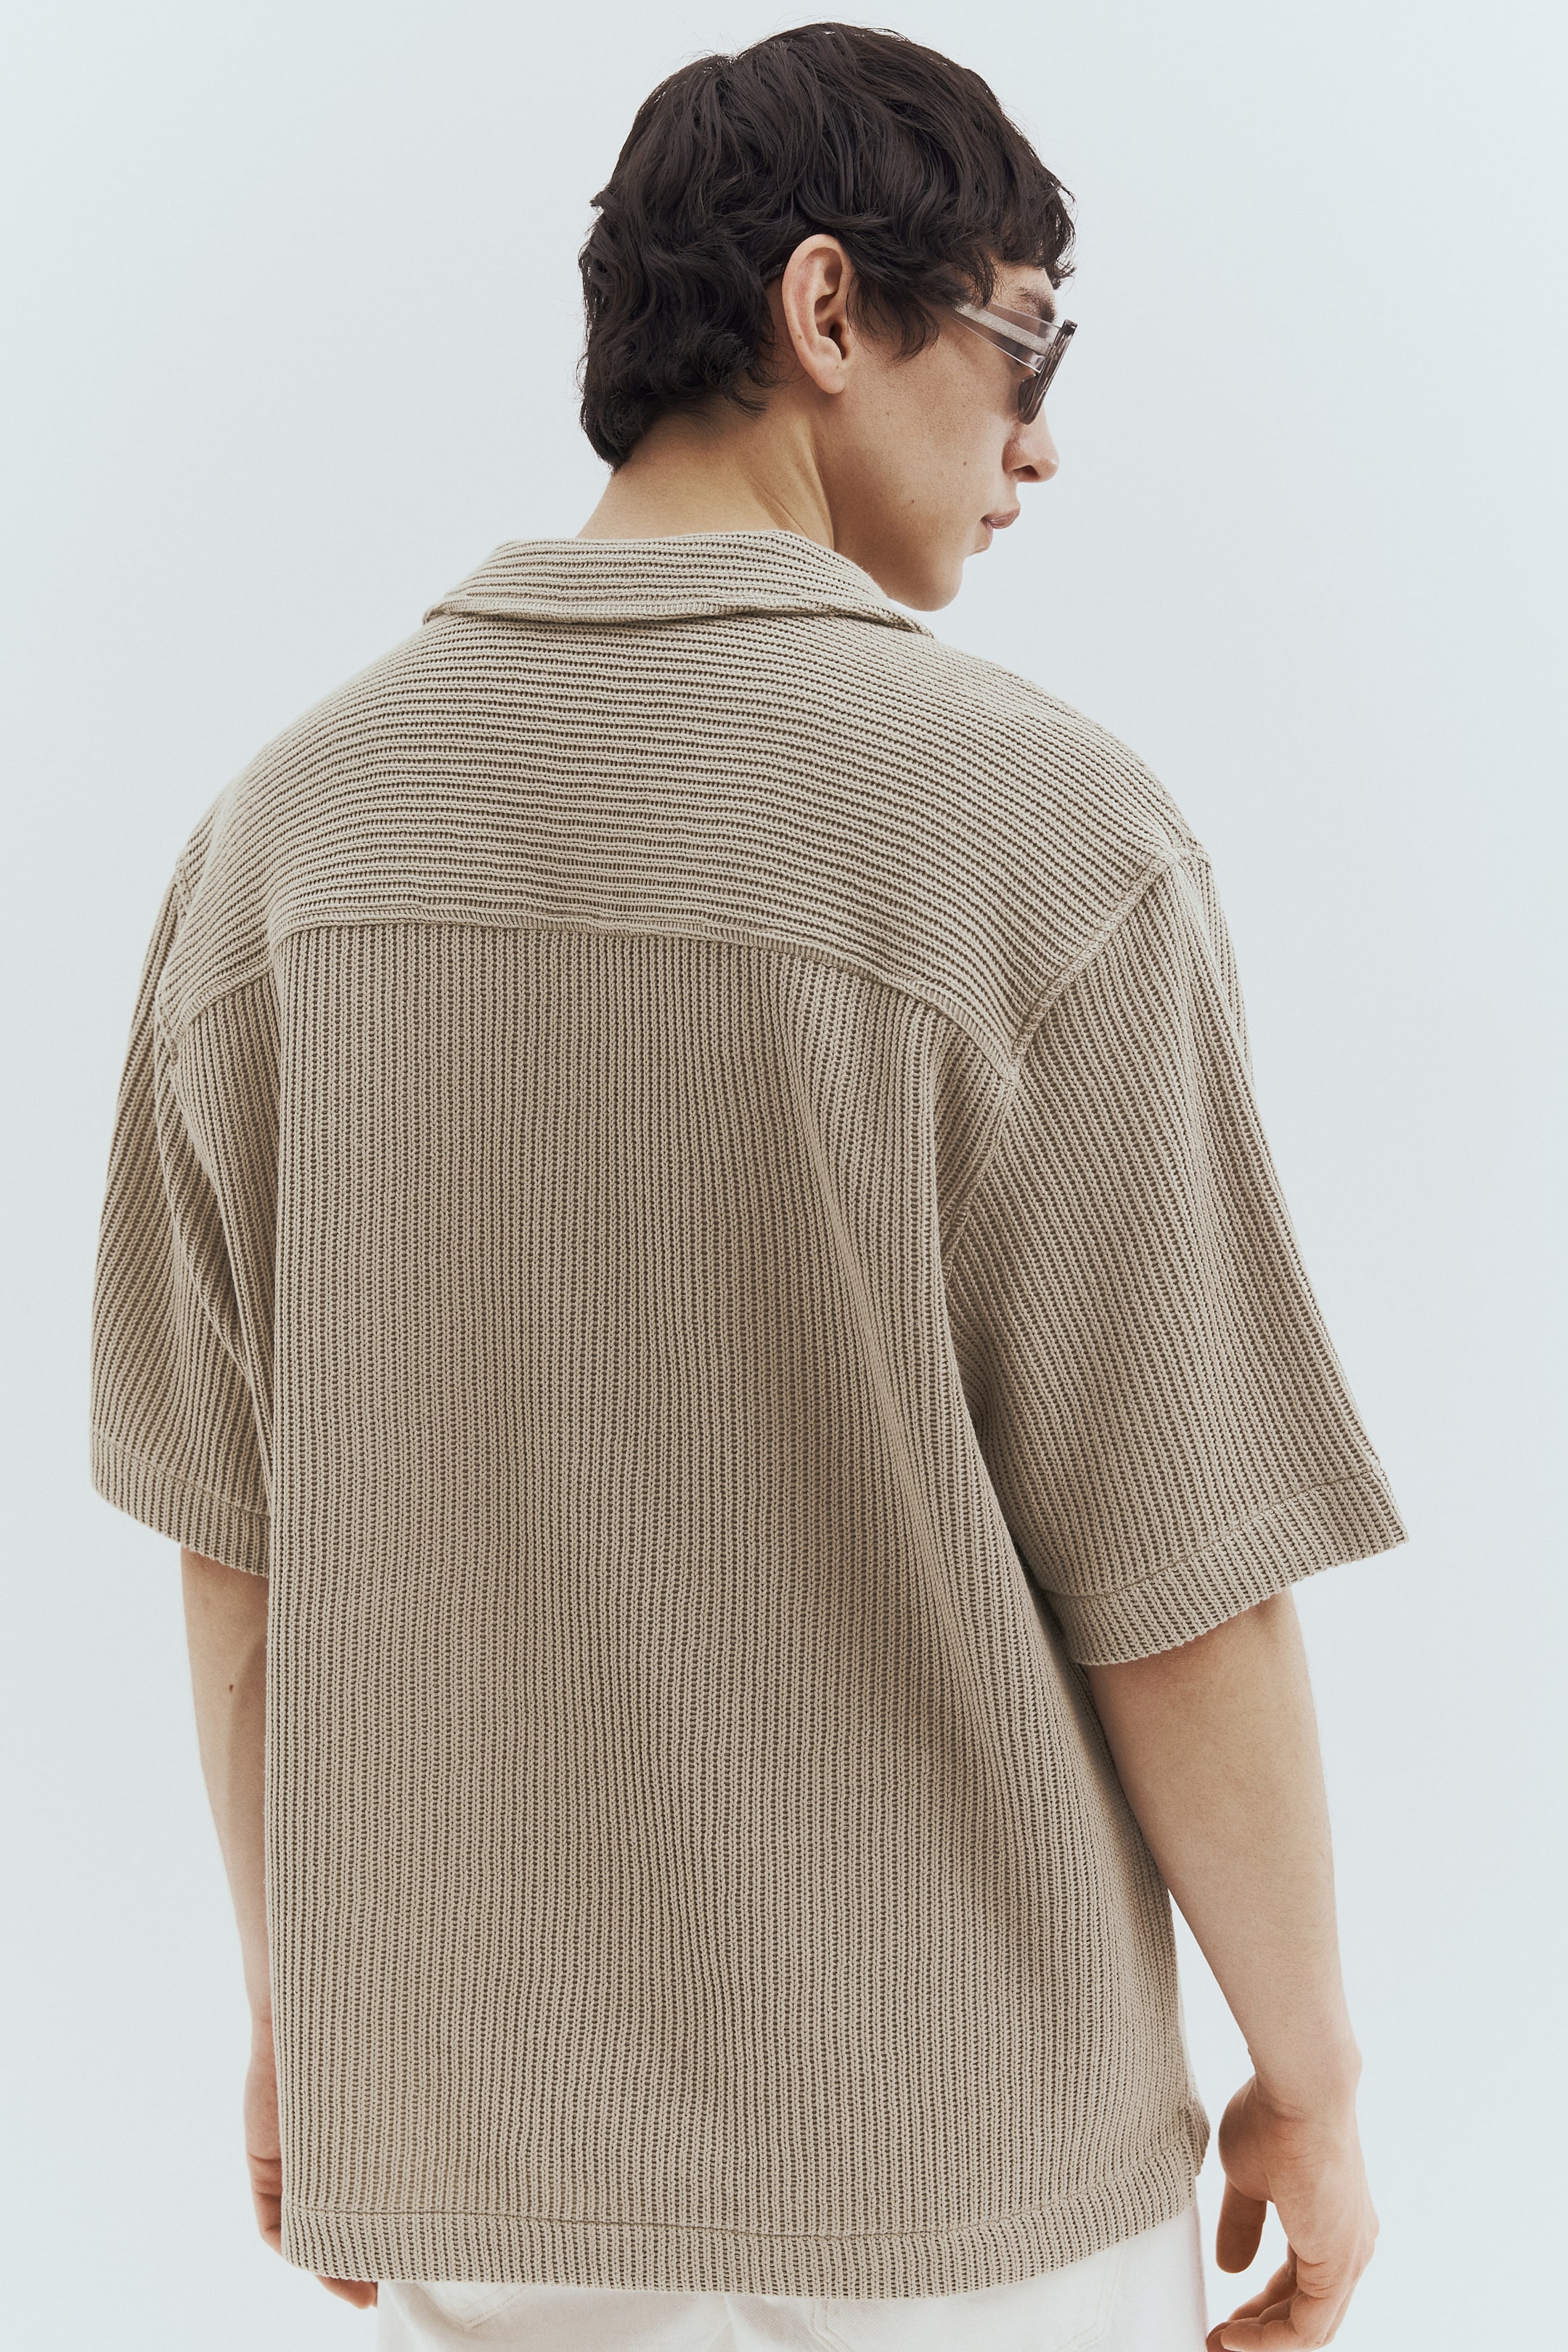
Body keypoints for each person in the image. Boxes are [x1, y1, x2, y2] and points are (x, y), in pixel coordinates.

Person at [89, 23, 1405, 2352]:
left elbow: (240, 1558)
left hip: (493, 2184)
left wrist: (308, 2015)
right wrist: (1308, 2079)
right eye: (1023, 342)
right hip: (961, 2196)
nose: (1042, 437)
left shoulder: (282, 844)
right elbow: (1184, 1576)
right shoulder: (1041, 832)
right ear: (826, 309)